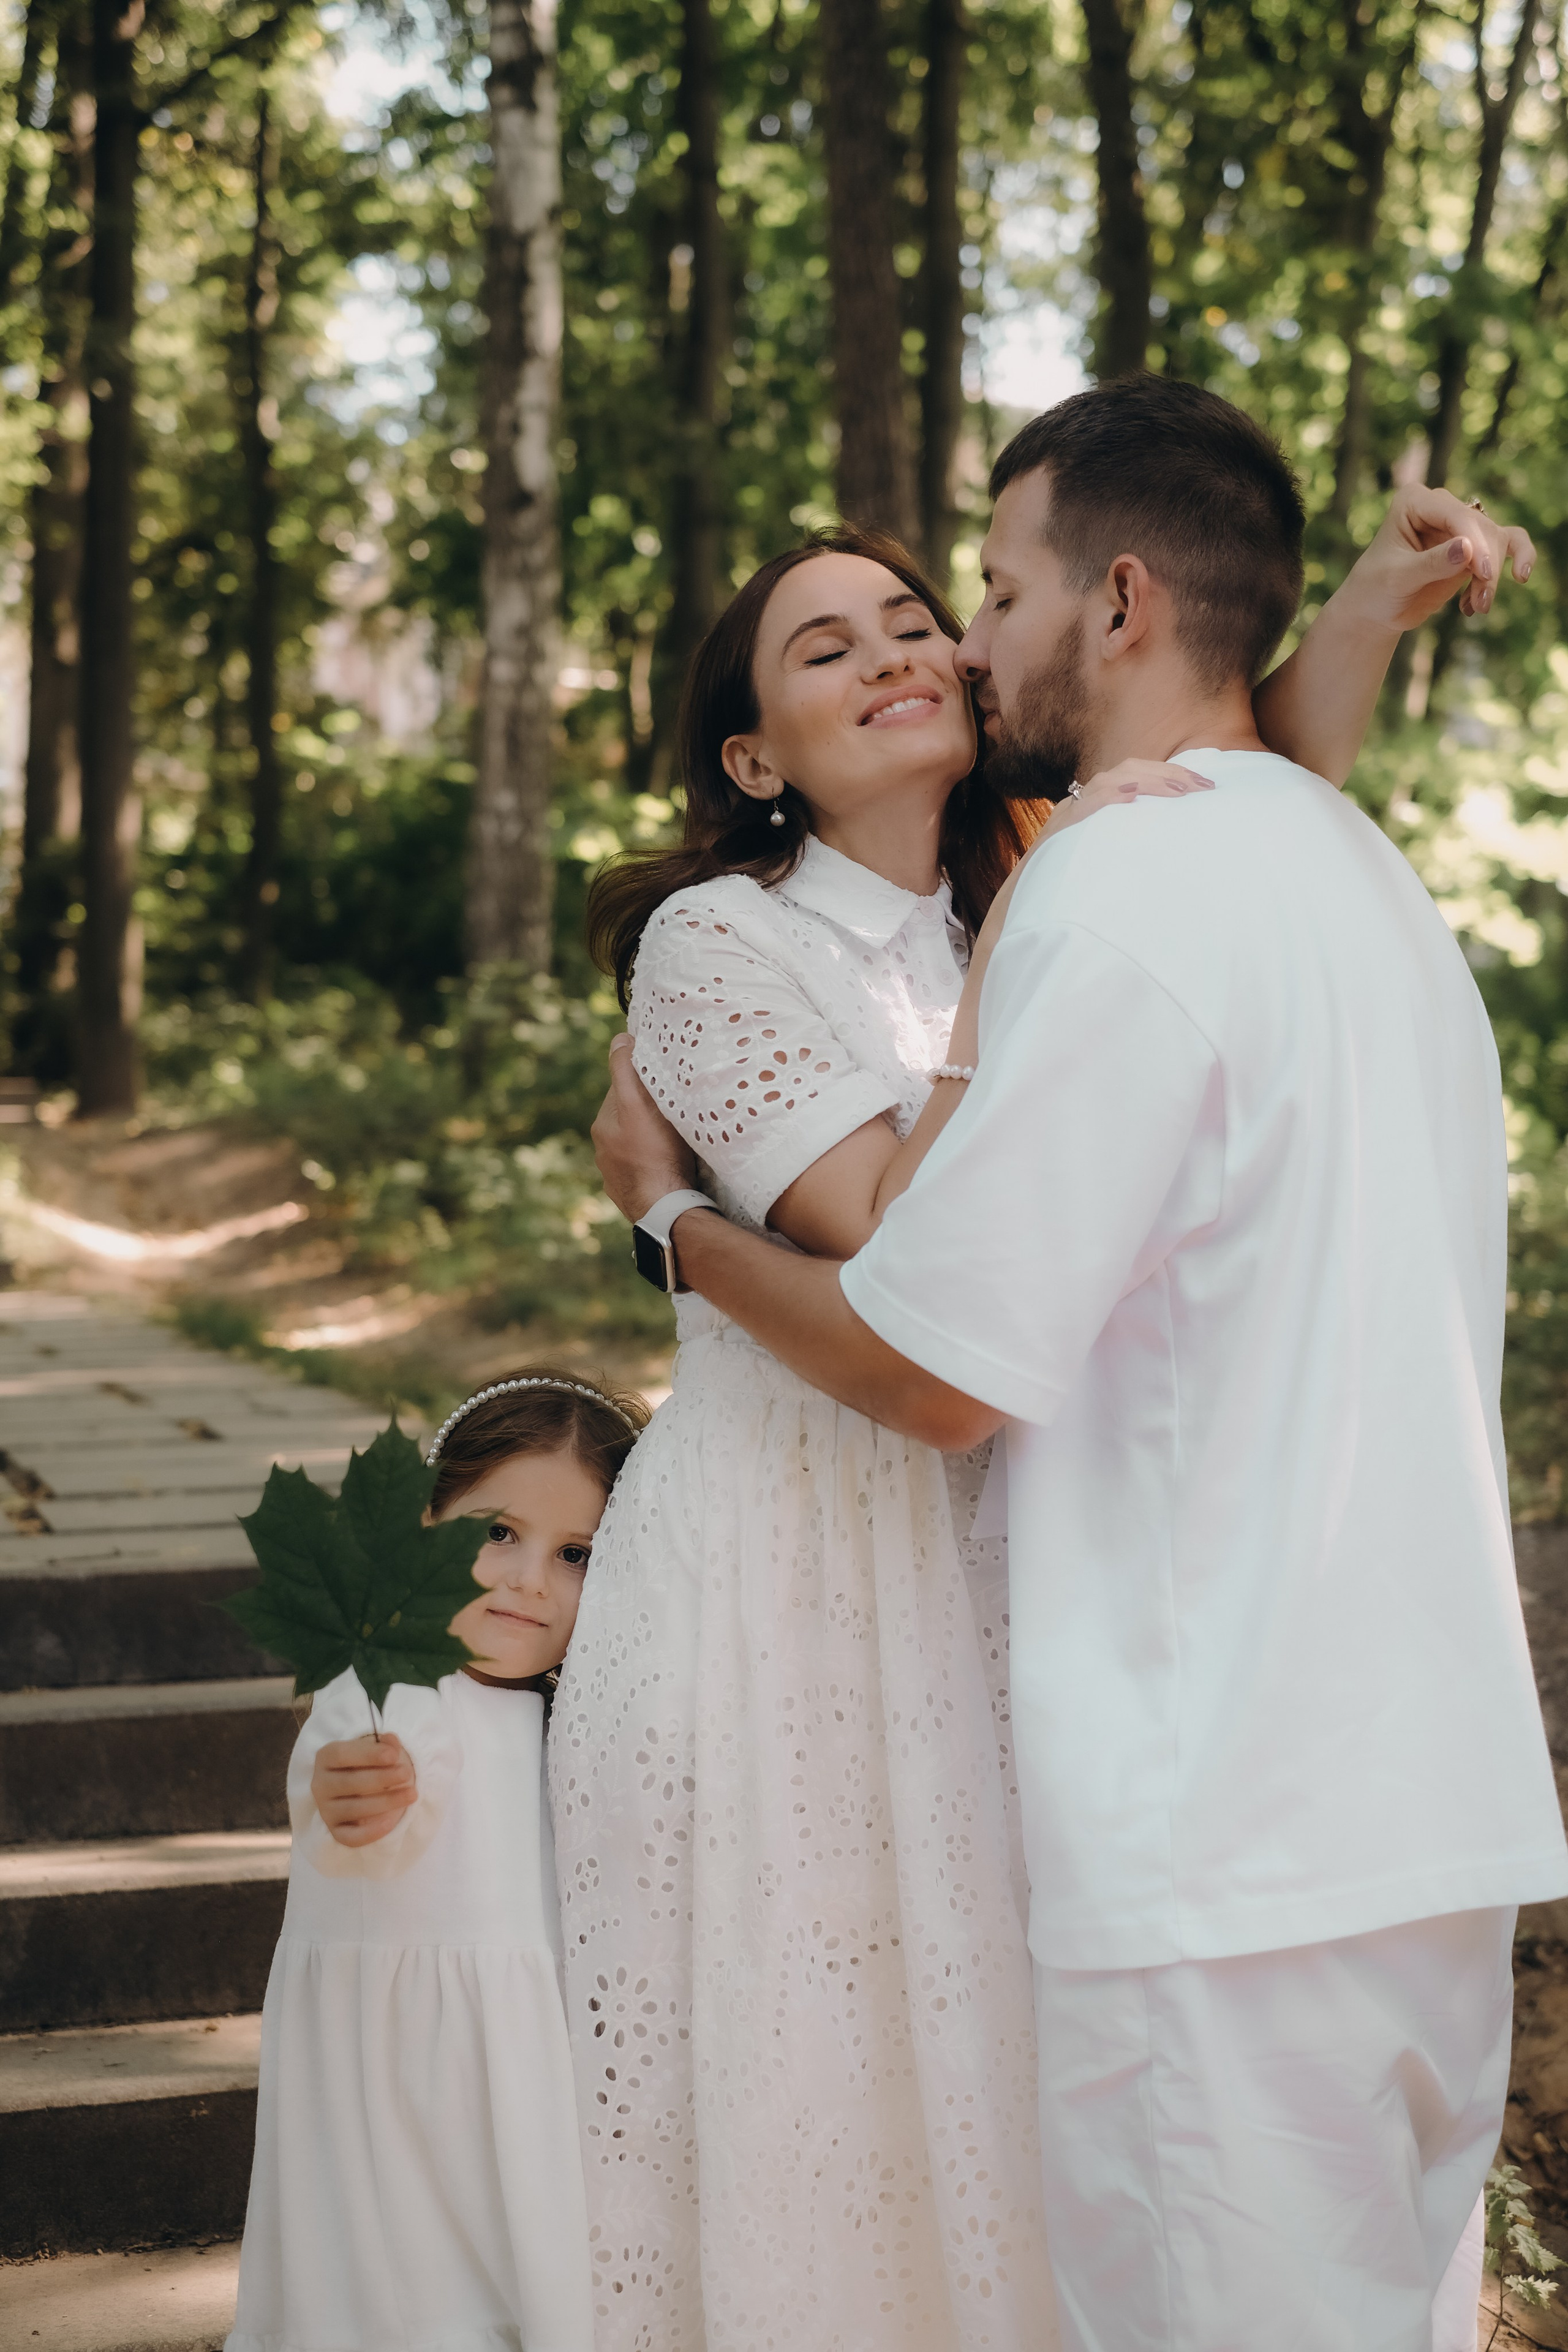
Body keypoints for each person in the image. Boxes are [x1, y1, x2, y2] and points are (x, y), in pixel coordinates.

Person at [587, 377, 1567, 2352]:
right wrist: (1357, 610)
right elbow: (1230, 749)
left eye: (976, 592)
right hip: (1395, 1794)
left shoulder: (1091, 888)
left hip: (1223, 1821)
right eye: (846, 634)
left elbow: (932, 1366)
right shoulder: (1354, 880)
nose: (948, 637)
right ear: (747, 750)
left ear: (1112, 605)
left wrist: (668, 1227)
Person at [225, 1368, 649, 2352]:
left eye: (575, 1553)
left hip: (523, 2079)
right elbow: (342, 1786)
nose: (527, 1578)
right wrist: (346, 1790)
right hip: (397, 2085)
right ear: (422, 1525)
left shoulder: (577, 1719)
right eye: (496, 1531)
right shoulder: (387, 1693)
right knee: (404, 2290)